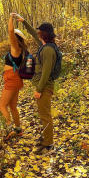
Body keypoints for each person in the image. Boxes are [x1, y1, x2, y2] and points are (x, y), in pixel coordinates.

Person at [12, 13, 57, 155]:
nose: (37, 33)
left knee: (45, 116)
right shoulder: (44, 45)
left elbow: (46, 72)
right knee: (43, 115)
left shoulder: (49, 50)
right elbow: (33, 34)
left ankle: (49, 145)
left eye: (40, 31)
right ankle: (45, 141)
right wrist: (24, 22)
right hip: (42, 87)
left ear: (44, 34)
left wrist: (39, 89)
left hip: (45, 87)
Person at [0, 13, 26, 140]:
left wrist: (11, 17)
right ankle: (18, 129)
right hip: (15, 79)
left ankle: (9, 130)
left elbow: (10, 31)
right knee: (12, 106)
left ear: (16, 38)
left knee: (2, 106)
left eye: (12, 37)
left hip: (12, 79)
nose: (10, 38)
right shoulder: (19, 49)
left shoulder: (15, 47)